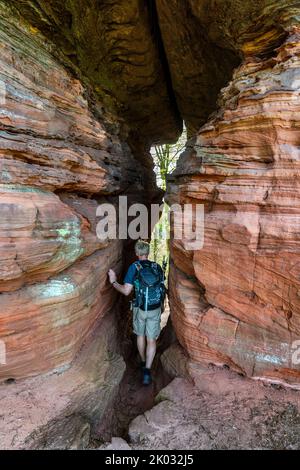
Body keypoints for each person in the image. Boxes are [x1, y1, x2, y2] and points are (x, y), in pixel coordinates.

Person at [108, 240, 165, 385]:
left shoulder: (134, 267)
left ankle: (143, 361)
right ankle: (147, 370)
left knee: (140, 335)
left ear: (137, 253)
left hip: (140, 308)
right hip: (155, 309)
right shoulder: (156, 267)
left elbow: (126, 291)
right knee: (151, 339)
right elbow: (161, 286)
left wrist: (114, 282)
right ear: (148, 252)